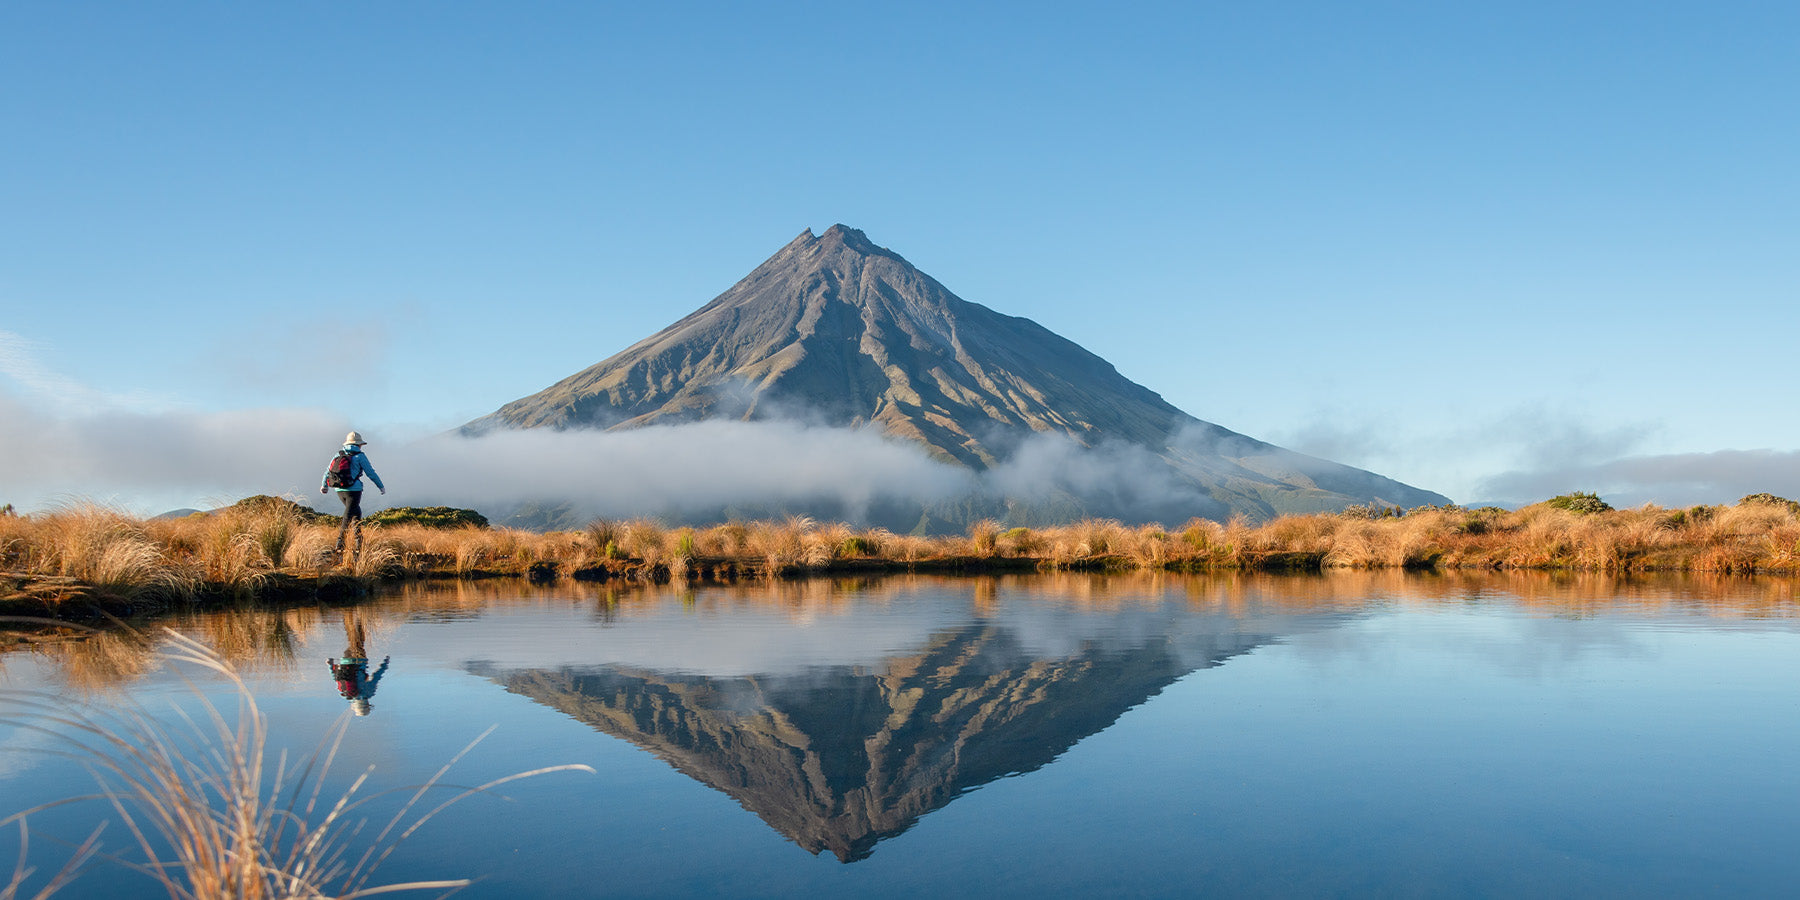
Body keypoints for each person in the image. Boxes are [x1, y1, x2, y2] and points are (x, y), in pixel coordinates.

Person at [321, 430, 386, 564]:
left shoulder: (338, 454)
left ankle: (358, 543)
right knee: (349, 515)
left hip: (339, 490)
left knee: (356, 512)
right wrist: (381, 486)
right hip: (354, 490)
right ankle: (340, 544)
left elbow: (328, 471)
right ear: (359, 445)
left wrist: (324, 486)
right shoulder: (360, 456)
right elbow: (370, 473)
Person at [327, 608, 389, 717]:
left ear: (366, 704)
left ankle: (359, 616)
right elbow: (336, 678)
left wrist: (385, 664)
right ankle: (348, 617)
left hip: (359, 660)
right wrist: (330, 665)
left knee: (360, 639)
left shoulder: (368, 693)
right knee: (351, 639)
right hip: (345, 661)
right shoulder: (345, 695)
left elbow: (377, 676)